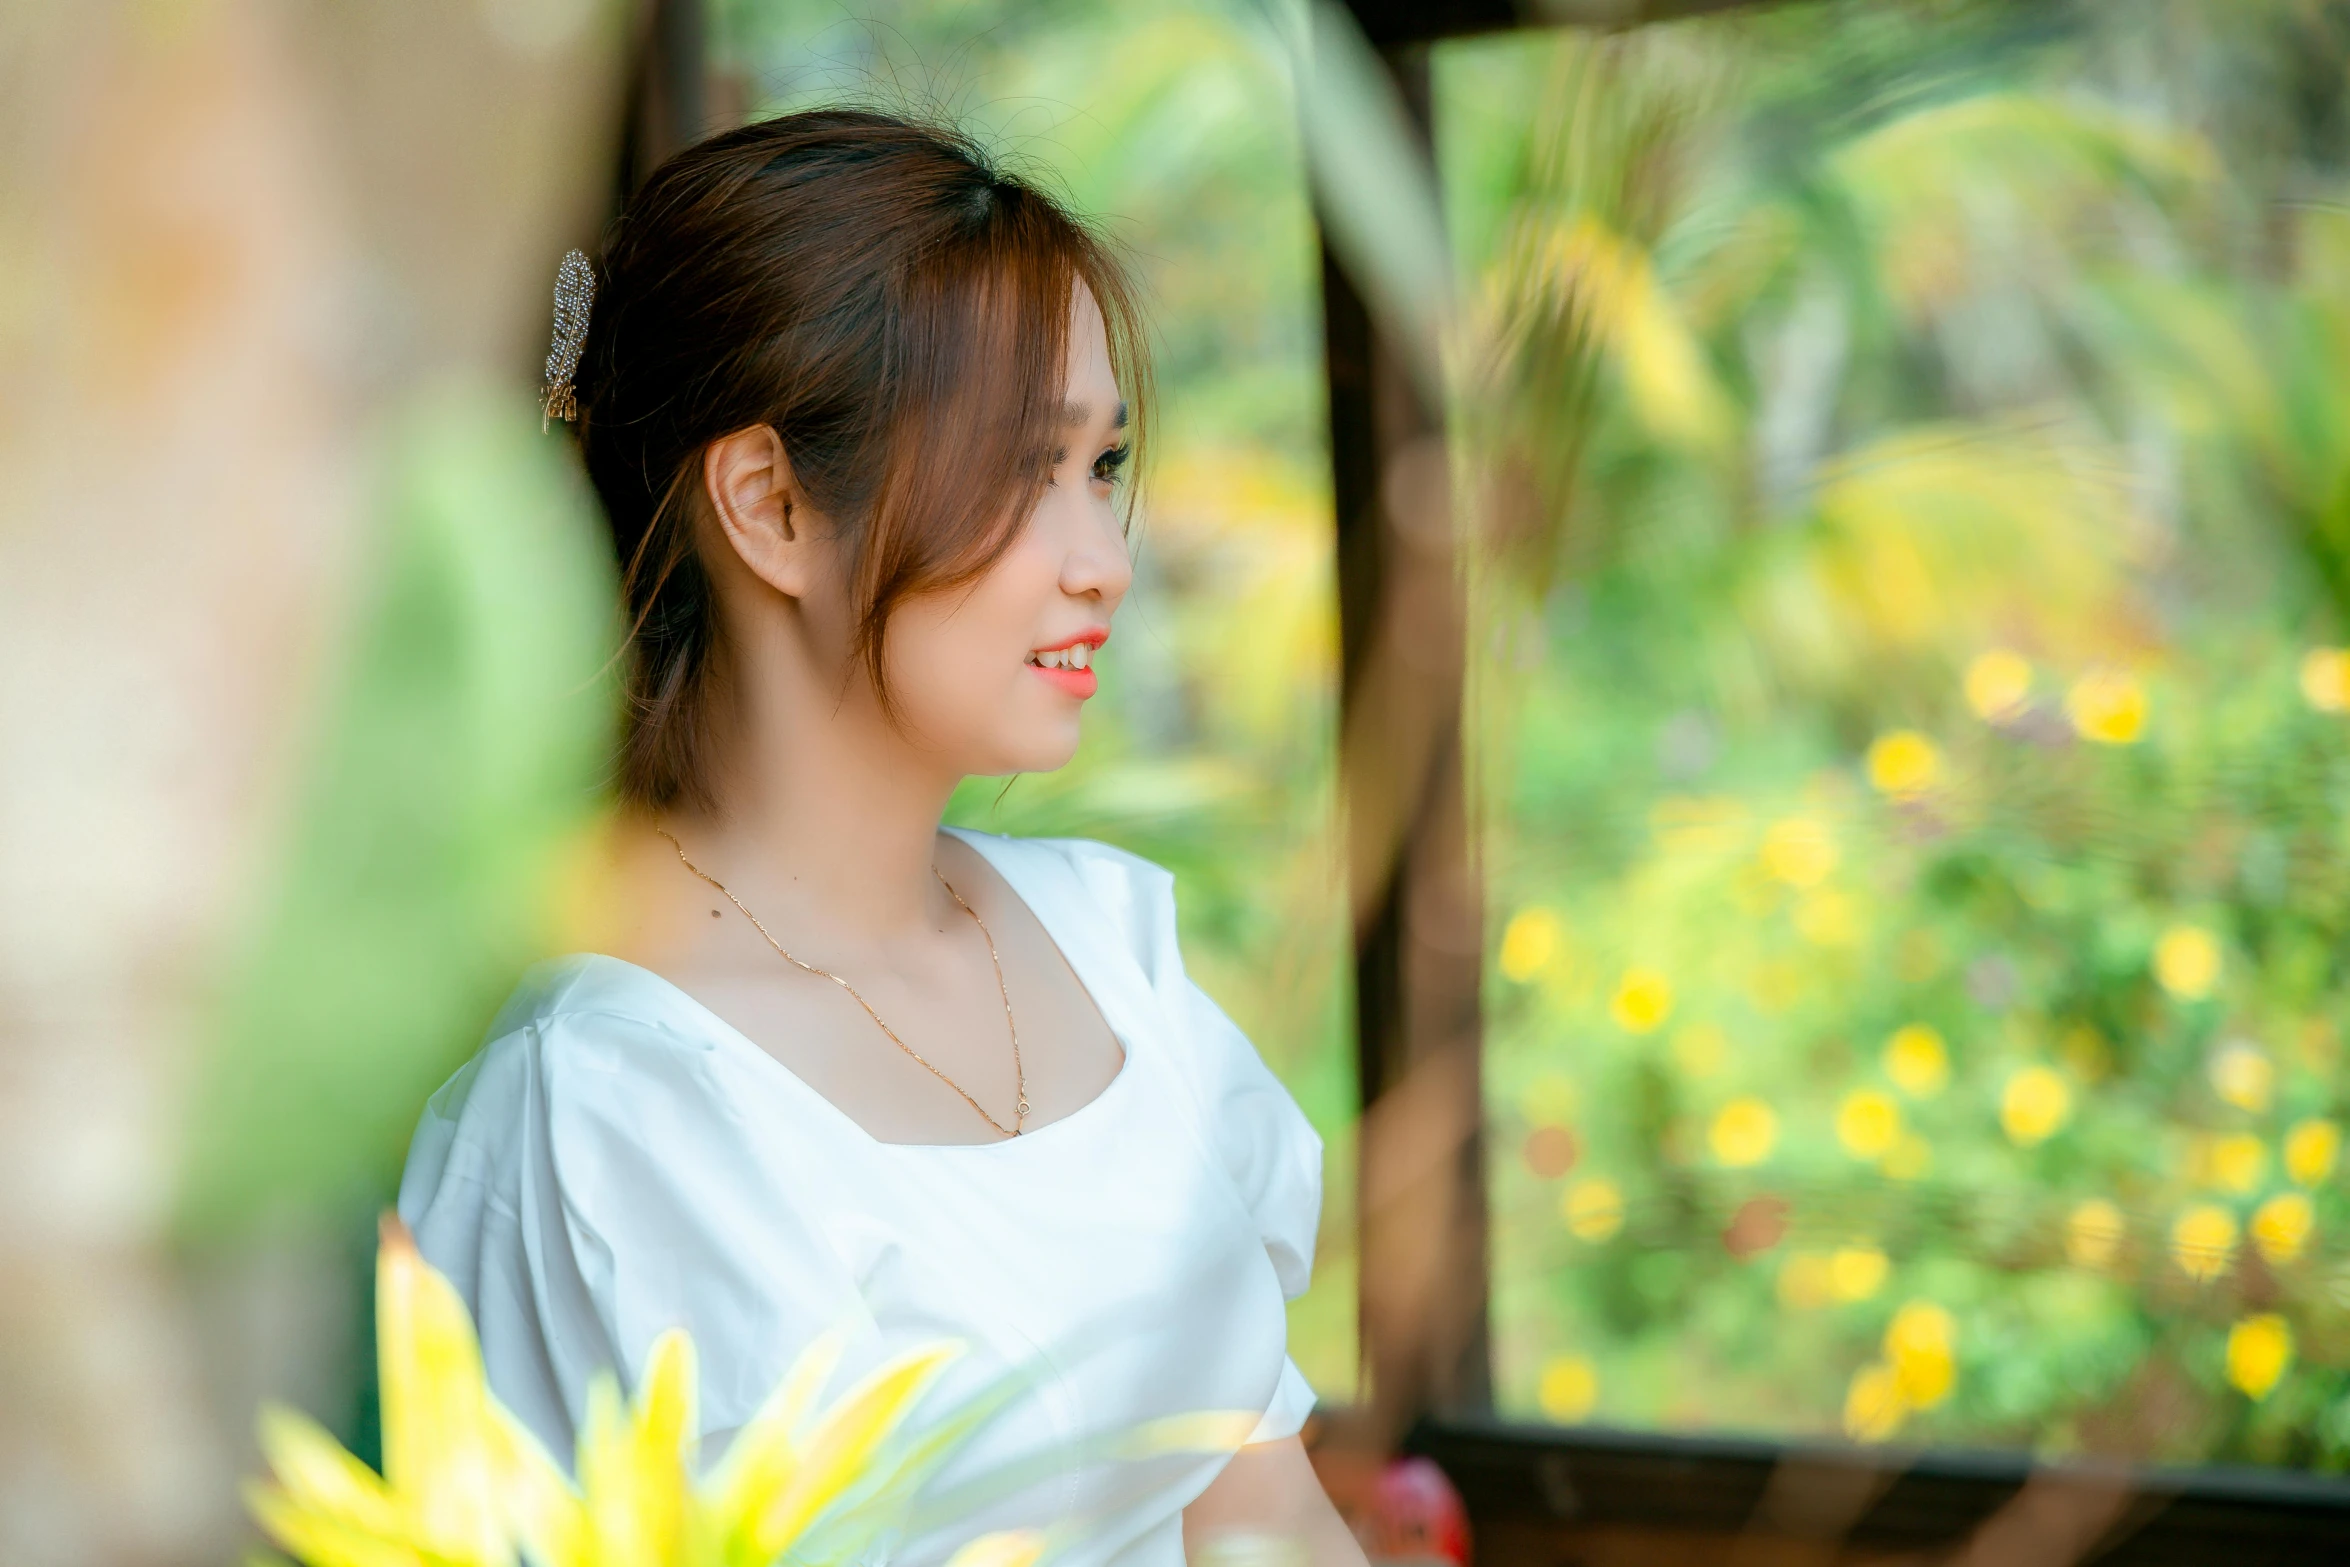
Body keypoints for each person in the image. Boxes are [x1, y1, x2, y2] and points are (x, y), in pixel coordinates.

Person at [396, 109, 1364, 1567]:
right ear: (771, 504)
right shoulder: (603, 1102)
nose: (1102, 560)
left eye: (1099, 468)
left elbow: (1269, 1518)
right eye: (1020, 473)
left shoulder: (1112, 951)